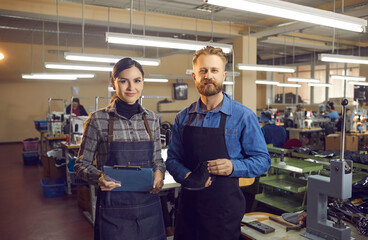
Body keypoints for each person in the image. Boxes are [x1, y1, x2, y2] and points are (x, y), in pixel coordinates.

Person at [166, 46, 271, 240]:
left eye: (214, 71)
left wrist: (233, 166)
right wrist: (188, 176)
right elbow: (172, 159)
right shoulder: (183, 117)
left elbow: (263, 161)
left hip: (223, 213)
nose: (208, 76)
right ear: (194, 76)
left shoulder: (243, 116)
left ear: (223, 76)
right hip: (188, 209)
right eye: (203, 71)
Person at [74, 58, 166, 240]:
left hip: (149, 207)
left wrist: (159, 172)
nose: (131, 87)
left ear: (143, 82)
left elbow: (157, 160)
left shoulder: (152, 120)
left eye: (137, 80)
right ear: (113, 82)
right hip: (113, 211)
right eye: (124, 81)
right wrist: (99, 177)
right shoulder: (97, 120)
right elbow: (80, 165)